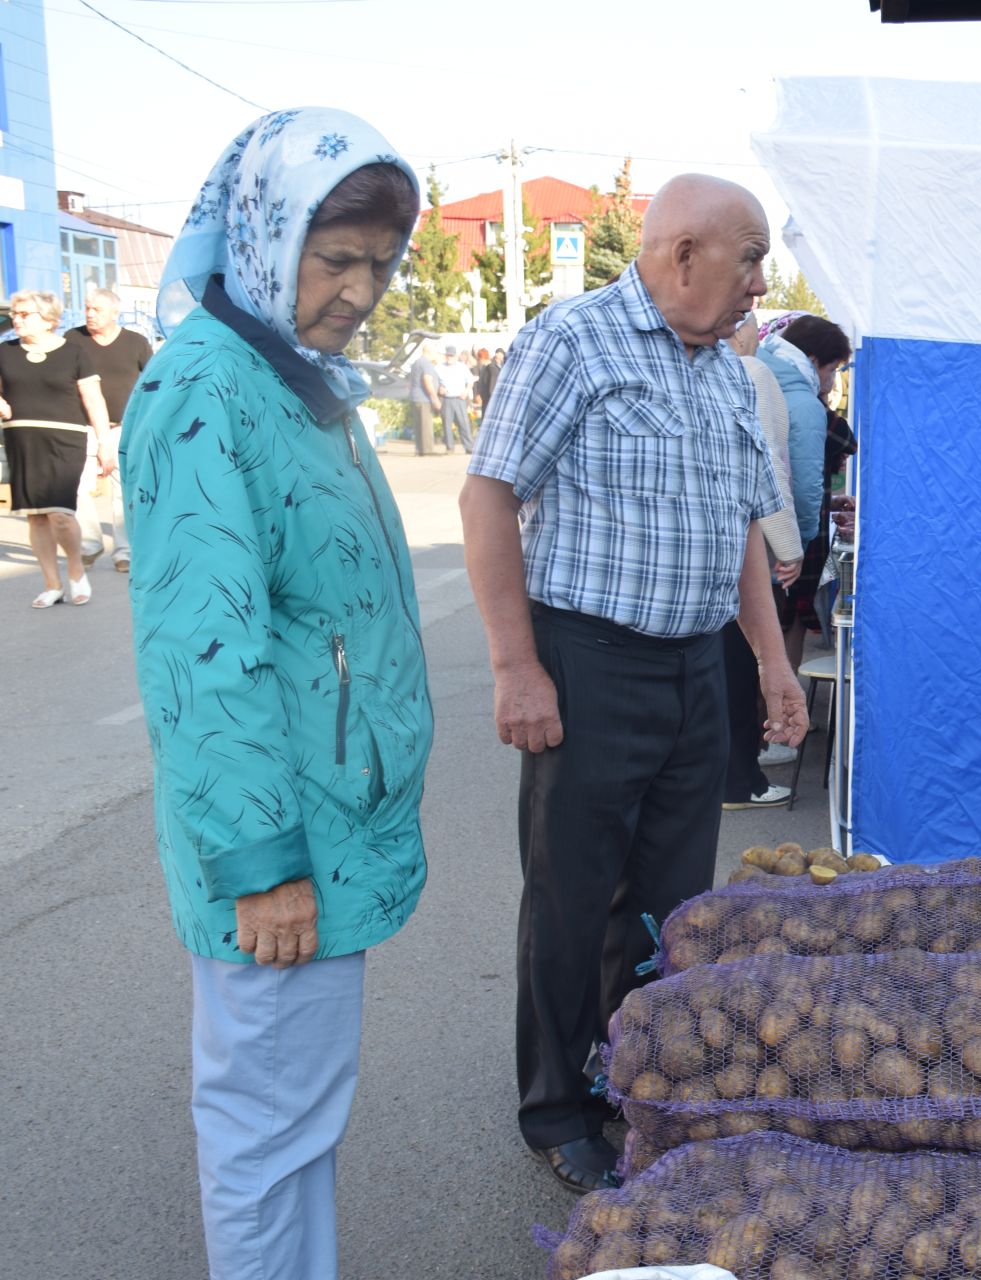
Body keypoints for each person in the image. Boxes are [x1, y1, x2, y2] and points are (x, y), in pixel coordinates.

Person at [119, 108, 430, 1280]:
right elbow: (204, 657)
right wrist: (263, 861)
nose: (360, 289)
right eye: (334, 254)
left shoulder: (290, 374)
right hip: (283, 842)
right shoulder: (206, 387)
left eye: (381, 262)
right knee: (263, 1133)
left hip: (327, 822)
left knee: (297, 1124)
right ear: (263, 232)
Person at [460, 172, 809, 1193]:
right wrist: (515, 664)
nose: (760, 281)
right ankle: (555, 1106)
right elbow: (489, 495)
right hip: (588, 660)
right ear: (684, 252)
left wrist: (770, 659)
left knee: (668, 900)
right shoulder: (574, 339)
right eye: (749, 258)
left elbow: (744, 522)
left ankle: (634, 1078)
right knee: (572, 896)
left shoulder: (723, 368)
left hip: (695, 668)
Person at [721, 314, 805, 805]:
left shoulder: (701, 371)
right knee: (740, 666)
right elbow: (769, 464)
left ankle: (731, 776)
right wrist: (789, 544)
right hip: (748, 550)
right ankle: (740, 778)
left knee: (724, 669)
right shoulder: (753, 373)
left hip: (712, 556)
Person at [0, 289, 113, 608]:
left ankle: (76, 572)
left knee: (60, 512)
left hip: (66, 438)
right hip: (22, 438)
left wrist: (105, 443)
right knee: (35, 515)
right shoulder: (4, 351)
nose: (16, 320)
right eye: (14, 315)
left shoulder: (74, 353)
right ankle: (52, 584)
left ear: (49, 319)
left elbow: (94, 400)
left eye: (24, 315)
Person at [758, 313, 851, 670]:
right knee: (785, 630)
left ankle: (756, 719)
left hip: (755, 536)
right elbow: (805, 486)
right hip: (786, 543)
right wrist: (795, 548)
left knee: (757, 634)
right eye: (831, 371)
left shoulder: (758, 374)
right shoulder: (806, 404)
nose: (830, 383)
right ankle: (778, 719)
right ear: (813, 361)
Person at [67, 287, 151, 571]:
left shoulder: (136, 342)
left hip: (125, 426)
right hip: (82, 425)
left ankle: (124, 553)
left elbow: (152, 382)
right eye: (87, 308)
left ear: (115, 313)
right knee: (77, 486)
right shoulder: (73, 340)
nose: (90, 314)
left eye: (97, 309)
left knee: (121, 491)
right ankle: (90, 544)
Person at [433, 341, 476, 452]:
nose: (449, 357)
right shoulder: (439, 368)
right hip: (446, 399)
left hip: (459, 398)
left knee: (464, 423)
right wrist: (439, 389)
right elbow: (434, 382)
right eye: (448, 355)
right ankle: (450, 447)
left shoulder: (462, 367)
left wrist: (466, 391)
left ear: (455, 356)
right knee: (447, 424)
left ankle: (469, 447)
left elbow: (470, 380)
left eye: (451, 355)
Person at [408, 342, 440, 454]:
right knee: (426, 425)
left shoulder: (417, 362)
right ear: (430, 352)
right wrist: (435, 398)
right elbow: (427, 381)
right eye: (435, 352)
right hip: (424, 398)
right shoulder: (426, 364)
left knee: (418, 425)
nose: (436, 354)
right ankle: (427, 450)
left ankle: (419, 449)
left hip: (415, 397)